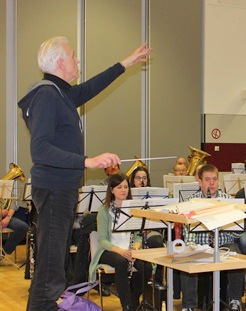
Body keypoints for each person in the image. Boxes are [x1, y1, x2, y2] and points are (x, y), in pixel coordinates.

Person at [18, 36, 150, 311]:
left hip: (61, 189)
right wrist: (87, 161)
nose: (78, 60)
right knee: (52, 265)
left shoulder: (60, 93)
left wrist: (126, 63)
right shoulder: (45, 95)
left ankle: (43, 304)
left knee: (54, 263)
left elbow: (91, 87)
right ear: (59, 62)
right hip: (54, 188)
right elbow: (40, 149)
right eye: (73, 56)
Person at [182, 164, 244, 311]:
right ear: (200, 182)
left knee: (237, 256)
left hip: (224, 244)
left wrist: (227, 225)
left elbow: (238, 233)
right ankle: (189, 305)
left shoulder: (228, 200)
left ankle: (234, 300)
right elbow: (187, 231)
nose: (211, 183)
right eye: (207, 179)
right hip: (200, 244)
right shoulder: (192, 201)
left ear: (219, 181)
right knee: (185, 258)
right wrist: (192, 247)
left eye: (214, 179)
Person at [89, 174, 151, 311]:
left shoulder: (133, 209)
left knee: (146, 267)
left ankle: (134, 299)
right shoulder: (104, 211)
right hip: (109, 251)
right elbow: (103, 240)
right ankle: (127, 305)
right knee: (121, 261)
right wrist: (121, 251)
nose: (123, 190)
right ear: (111, 190)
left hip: (129, 250)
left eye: (126, 187)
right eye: (119, 187)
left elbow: (138, 236)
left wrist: (135, 248)